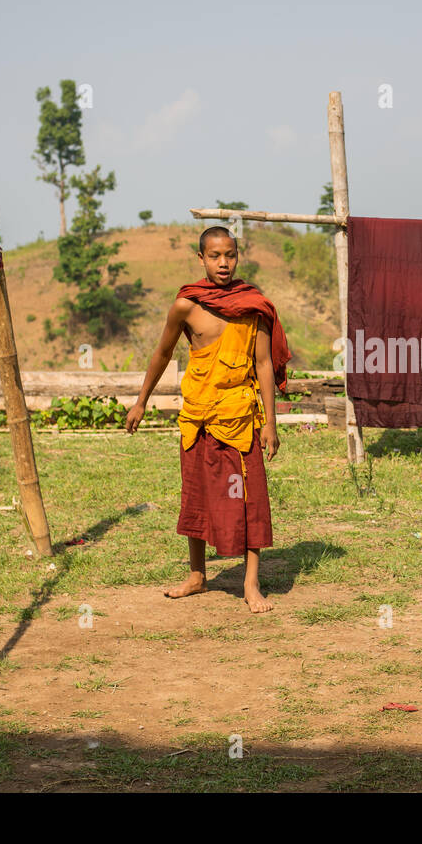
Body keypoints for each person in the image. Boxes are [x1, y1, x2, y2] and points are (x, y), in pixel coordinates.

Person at [125, 225, 291, 613]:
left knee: (249, 498)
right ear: (201, 258)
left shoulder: (253, 305)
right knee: (196, 495)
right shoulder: (187, 304)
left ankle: (251, 583)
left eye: (230, 255)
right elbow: (162, 353)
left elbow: (265, 364)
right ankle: (197, 576)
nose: (223, 263)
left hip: (239, 415)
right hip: (198, 413)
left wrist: (271, 422)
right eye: (215, 256)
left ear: (238, 256)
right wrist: (140, 401)